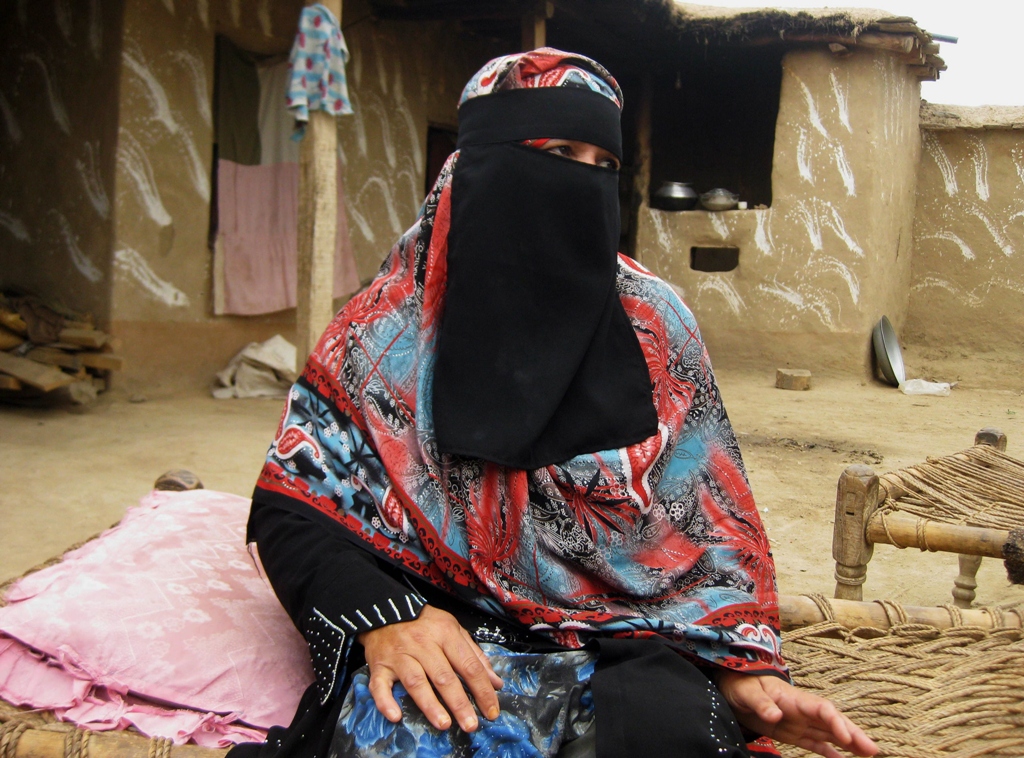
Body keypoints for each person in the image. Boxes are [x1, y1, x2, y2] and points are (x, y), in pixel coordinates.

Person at [237, 49, 878, 758]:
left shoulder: (654, 325)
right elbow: (293, 509)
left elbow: (714, 540)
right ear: (476, 165)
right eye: (556, 152)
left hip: (626, 641)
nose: (581, 181)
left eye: (601, 163)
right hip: (444, 627)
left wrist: (737, 672)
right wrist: (390, 618)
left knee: (668, 737)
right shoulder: (383, 333)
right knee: (397, 732)